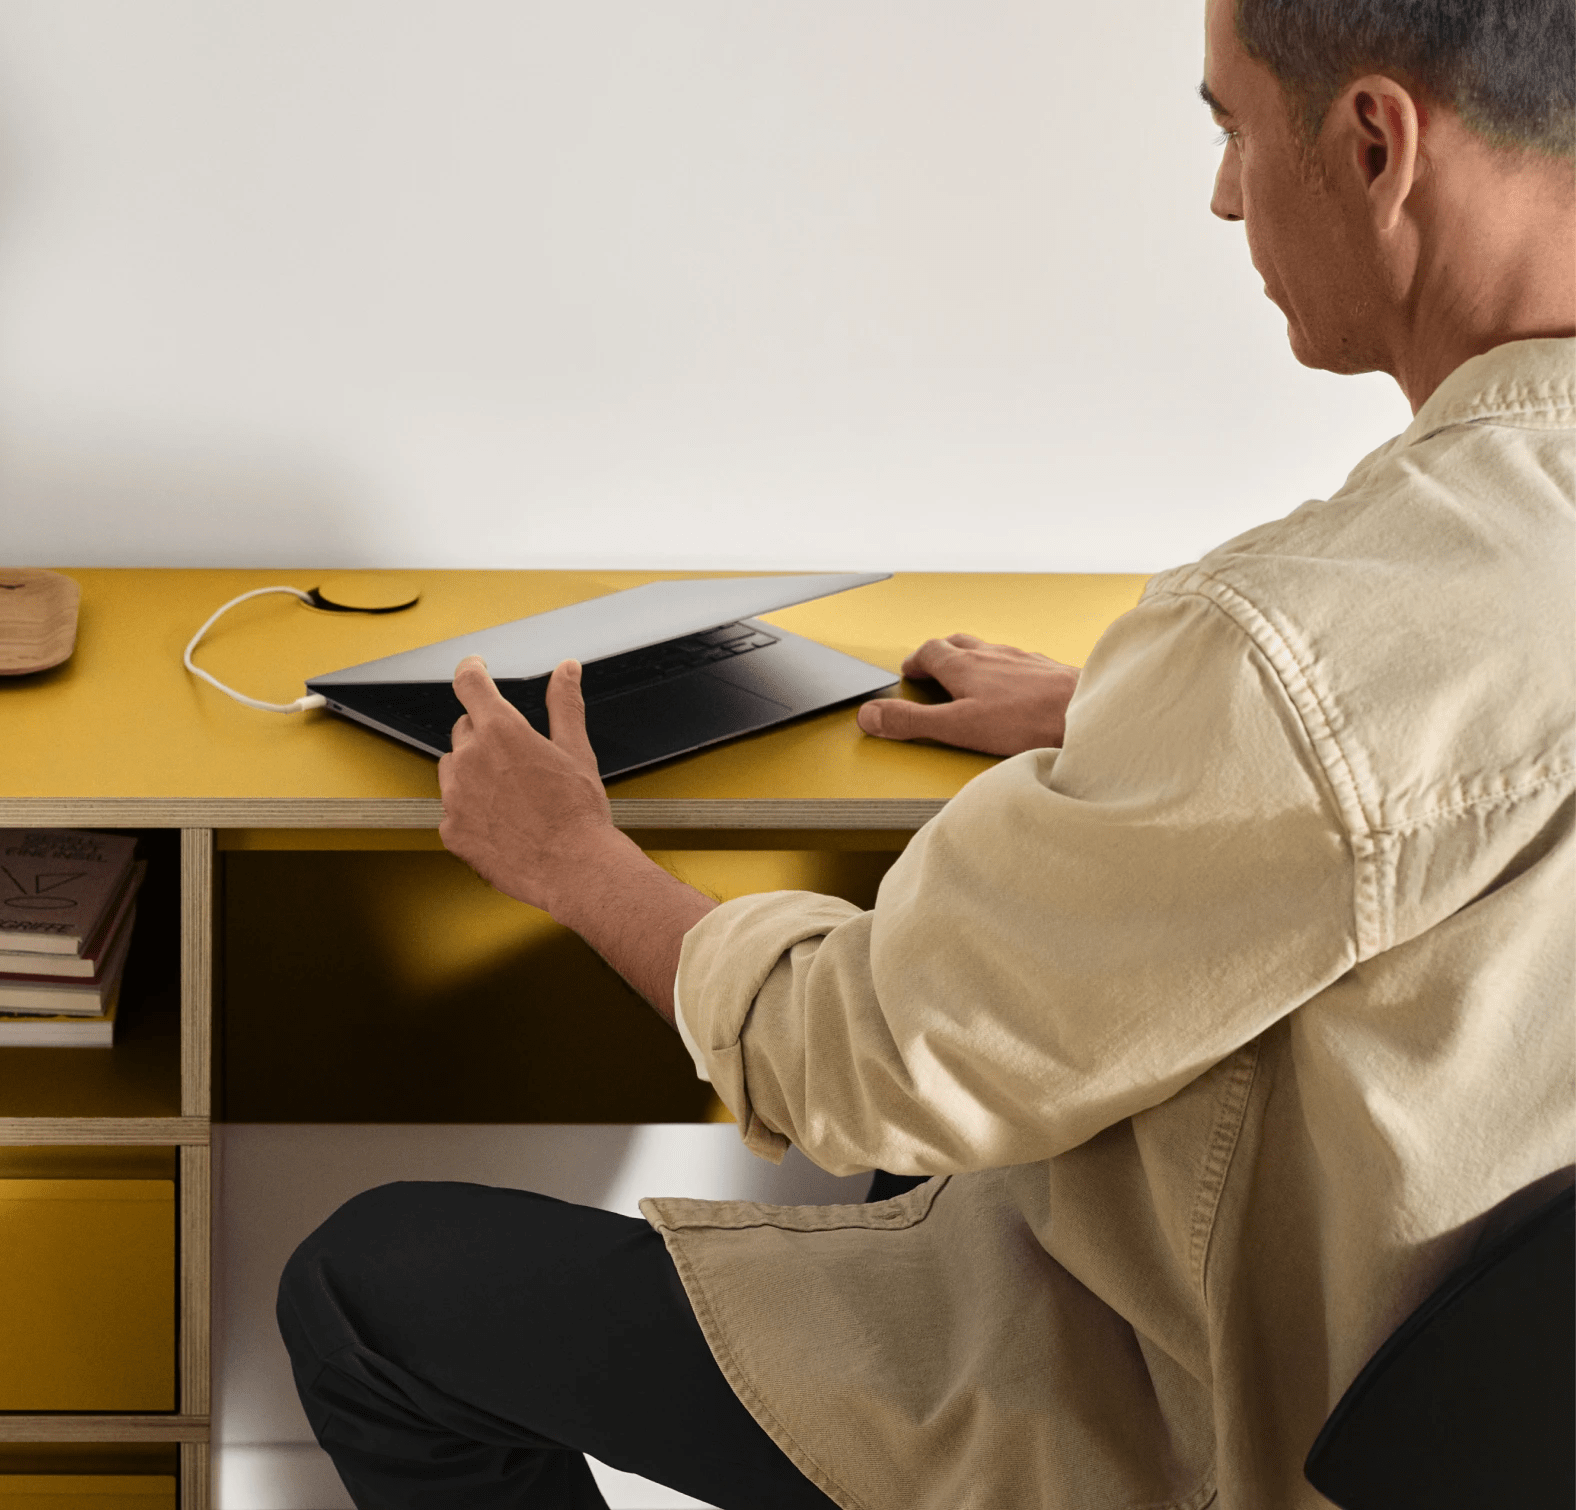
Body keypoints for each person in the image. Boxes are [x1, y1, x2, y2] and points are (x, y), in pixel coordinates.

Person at [277, 0, 1575, 1504]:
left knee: (360, 1296)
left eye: (1227, 124)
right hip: (1472, 1412)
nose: (1222, 194)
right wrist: (1142, 732)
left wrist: (573, 856)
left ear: (1371, 142)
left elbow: (861, 1060)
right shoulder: (1362, 642)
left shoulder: (1287, 656)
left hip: (1186, 1418)